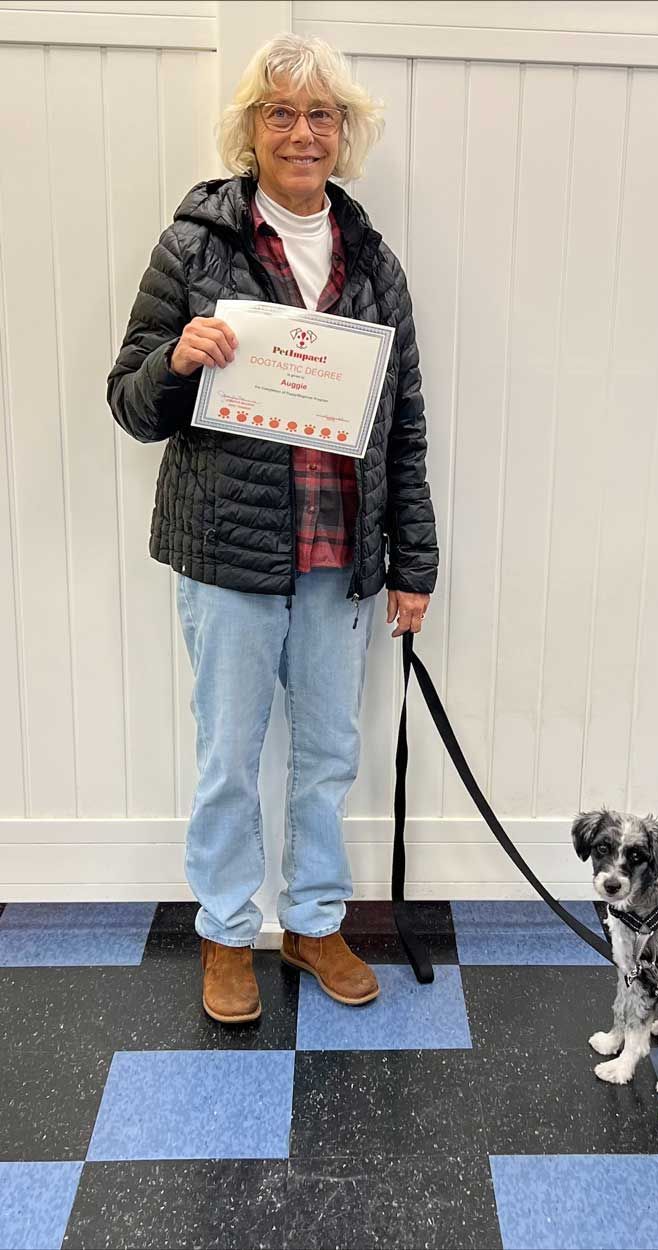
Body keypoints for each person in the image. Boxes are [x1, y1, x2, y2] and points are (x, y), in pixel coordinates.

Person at [106, 33, 438, 1024]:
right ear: (251, 129)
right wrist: (177, 357)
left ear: (345, 134)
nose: (301, 132)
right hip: (228, 556)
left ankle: (313, 918)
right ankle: (223, 929)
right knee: (229, 754)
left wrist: (413, 561)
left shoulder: (373, 263)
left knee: (328, 753)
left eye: (321, 115)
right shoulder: (194, 247)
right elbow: (128, 403)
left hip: (340, 560)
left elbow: (405, 423)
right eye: (280, 113)